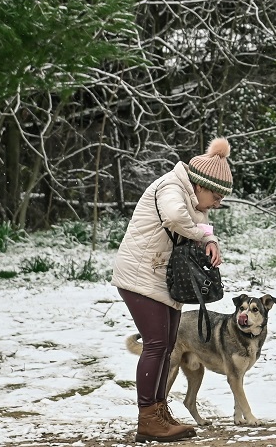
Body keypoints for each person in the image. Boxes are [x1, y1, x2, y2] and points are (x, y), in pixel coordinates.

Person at [113, 138, 232, 442]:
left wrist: (210, 240)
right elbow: (176, 217)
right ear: (200, 185)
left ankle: (159, 411)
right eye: (215, 196)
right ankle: (148, 419)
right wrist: (202, 235)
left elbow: (201, 226)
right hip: (140, 275)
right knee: (156, 344)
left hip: (161, 278)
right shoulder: (171, 187)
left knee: (166, 346)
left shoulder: (192, 197)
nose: (216, 204)